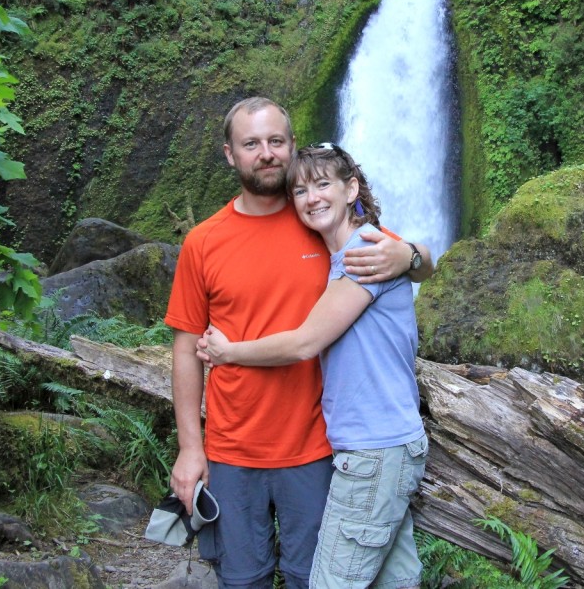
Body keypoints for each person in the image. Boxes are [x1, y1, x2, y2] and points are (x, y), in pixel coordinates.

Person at [164, 97, 431, 589]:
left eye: (276, 141)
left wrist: (413, 253)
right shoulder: (204, 241)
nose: (265, 153)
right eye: (251, 144)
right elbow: (185, 348)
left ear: (290, 146)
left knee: (318, 577)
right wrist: (189, 447)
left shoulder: (321, 218)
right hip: (232, 447)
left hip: (318, 448)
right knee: (242, 579)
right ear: (230, 154)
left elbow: (406, 259)